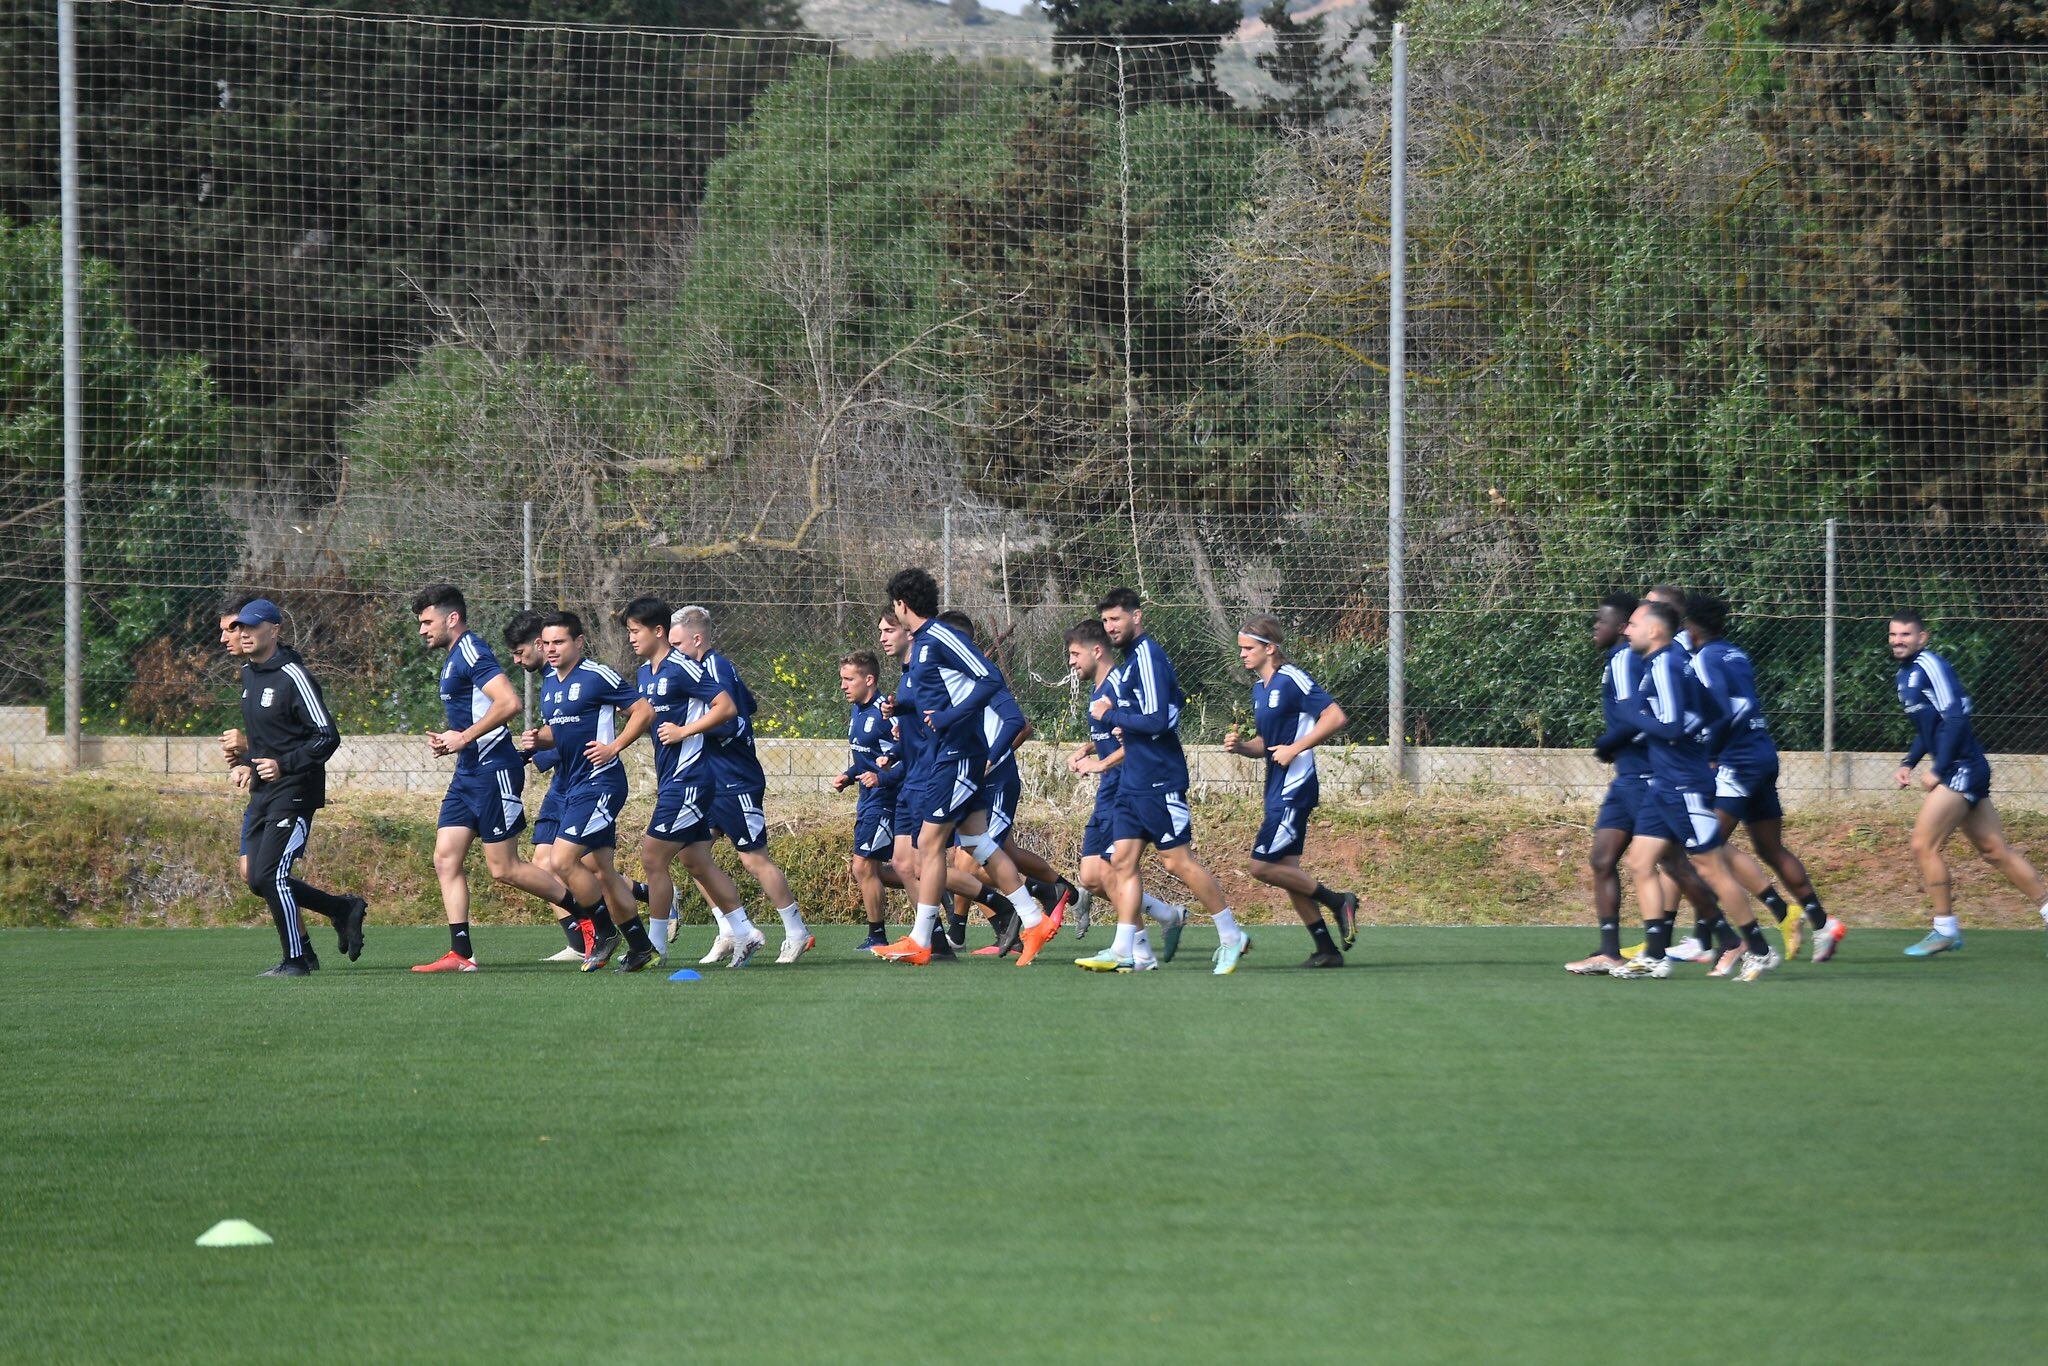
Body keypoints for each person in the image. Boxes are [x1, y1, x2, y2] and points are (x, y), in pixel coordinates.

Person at [872, 567, 1056, 966]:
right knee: (977, 843)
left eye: (894, 608)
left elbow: (990, 679)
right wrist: (902, 706)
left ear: (902, 605)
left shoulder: (940, 636)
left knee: (929, 844)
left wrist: (950, 716)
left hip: (959, 755)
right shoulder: (922, 644)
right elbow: (937, 693)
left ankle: (921, 940)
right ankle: (1032, 918)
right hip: (948, 754)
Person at [410, 585, 586, 973]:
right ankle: (461, 954)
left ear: (451, 618)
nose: (422, 630)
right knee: (444, 858)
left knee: (503, 868)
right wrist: (451, 741)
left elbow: (510, 702)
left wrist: (465, 736)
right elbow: (475, 713)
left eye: (427, 621)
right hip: (468, 772)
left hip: (493, 771)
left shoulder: (472, 650)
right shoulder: (453, 658)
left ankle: (591, 917)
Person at [1606, 600, 1778, 982]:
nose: (1626, 630)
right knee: (1640, 862)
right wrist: (1705, 744)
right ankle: (1654, 954)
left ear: (1654, 630)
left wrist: (1628, 711)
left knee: (1710, 868)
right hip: (1663, 785)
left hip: (1684, 786)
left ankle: (1759, 949)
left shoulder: (1666, 664)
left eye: (1633, 624)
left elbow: (1668, 727)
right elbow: (1714, 713)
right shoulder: (1667, 664)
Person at [1078, 588, 1242, 976]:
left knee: (1177, 862)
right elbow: (1163, 707)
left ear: (1137, 616)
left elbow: (1160, 721)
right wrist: (1119, 725)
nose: (1110, 627)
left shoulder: (1148, 655)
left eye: (1116, 618)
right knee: (1121, 862)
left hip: (1159, 780)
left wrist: (1112, 715)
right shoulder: (1134, 661)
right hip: (1132, 781)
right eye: (1105, 621)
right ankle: (1128, 950)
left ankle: (1231, 936)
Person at [1685, 593, 1846, 963]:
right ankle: (1823, 924)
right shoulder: (1736, 653)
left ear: (1689, 627)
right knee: (1770, 849)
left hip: (1738, 761)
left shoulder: (1705, 658)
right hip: (1762, 754)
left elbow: (1725, 711)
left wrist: (1710, 754)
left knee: (1704, 847)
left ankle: (1710, 940)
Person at [1890, 611, 2048, 956]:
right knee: (1995, 851)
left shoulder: (1931, 665)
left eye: (1906, 634)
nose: (1898, 640)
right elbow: (1928, 727)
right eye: (1893, 635)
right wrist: (1909, 762)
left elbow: (1956, 715)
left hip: (1961, 768)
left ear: (1922, 637)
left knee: (1923, 845)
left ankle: (1944, 929)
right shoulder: (1905, 675)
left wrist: (1940, 767)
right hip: (1960, 768)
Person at [226, 597, 366, 977]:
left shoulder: (293, 675)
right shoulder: (249, 674)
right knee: (256, 877)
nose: (244, 634)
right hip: (264, 791)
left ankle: (297, 960)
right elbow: (268, 739)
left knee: (270, 874)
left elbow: (326, 736)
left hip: (296, 790)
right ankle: (340, 909)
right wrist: (246, 765)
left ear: (274, 630)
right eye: (240, 627)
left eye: (253, 627)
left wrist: (283, 765)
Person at [666, 605, 812, 965]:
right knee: (692, 855)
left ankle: (797, 932)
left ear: (697, 639)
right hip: (706, 780)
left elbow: (733, 721)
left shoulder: (715, 667)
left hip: (735, 779)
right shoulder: (696, 672)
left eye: (677, 643)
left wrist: (688, 729)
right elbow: (752, 703)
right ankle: (731, 929)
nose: (671, 652)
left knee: (752, 858)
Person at [932, 610, 1076, 957]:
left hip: (996, 783)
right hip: (966, 781)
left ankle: (1042, 893)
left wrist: (990, 759)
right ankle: (1037, 898)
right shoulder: (945, 678)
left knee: (974, 861)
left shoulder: (983, 674)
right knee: (979, 854)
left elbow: (1020, 724)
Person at [527, 612, 663, 973]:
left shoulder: (596, 675)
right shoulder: (550, 684)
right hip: (571, 785)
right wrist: (537, 740)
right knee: (601, 870)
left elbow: (644, 710)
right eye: (547, 643)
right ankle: (640, 947)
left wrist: (614, 746)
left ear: (579, 642)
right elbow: (561, 732)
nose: (552, 649)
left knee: (560, 860)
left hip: (600, 783)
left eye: (560, 642)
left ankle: (603, 931)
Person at [1222, 615, 1360, 968]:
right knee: (1288, 872)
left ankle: (1337, 900)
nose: (1242, 655)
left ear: (1270, 648)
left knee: (1261, 866)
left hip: (1294, 788)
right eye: (1241, 648)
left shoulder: (1293, 678)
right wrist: (1242, 747)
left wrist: (1296, 748)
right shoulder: (1259, 689)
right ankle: (1326, 950)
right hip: (1275, 789)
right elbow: (1267, 744)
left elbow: (1334, 717)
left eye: (1248, 648)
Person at [504, 610, 603, 964]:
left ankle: (649, 902)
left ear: (538, 644)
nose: (517, 661)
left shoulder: (576, 675)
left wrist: (539, 753)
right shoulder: (551, 679)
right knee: (552, 863)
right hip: (563, 785)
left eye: (520, 652)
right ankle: (581, 942)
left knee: (580, 865)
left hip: (584, 783)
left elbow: (575, 733)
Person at [834, 649, 903, 951]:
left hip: (888, 799)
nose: (843, 685)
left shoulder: (885, 713)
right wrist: (850, 775)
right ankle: (937, 886)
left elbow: (909, 758)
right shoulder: (858, 710)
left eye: (849, 679)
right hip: (869, 798)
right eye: (842, 679)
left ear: (869, 679)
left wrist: (882, 779)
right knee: (893, 868)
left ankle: (877, 936)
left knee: (863, 866)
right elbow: (871, 756)